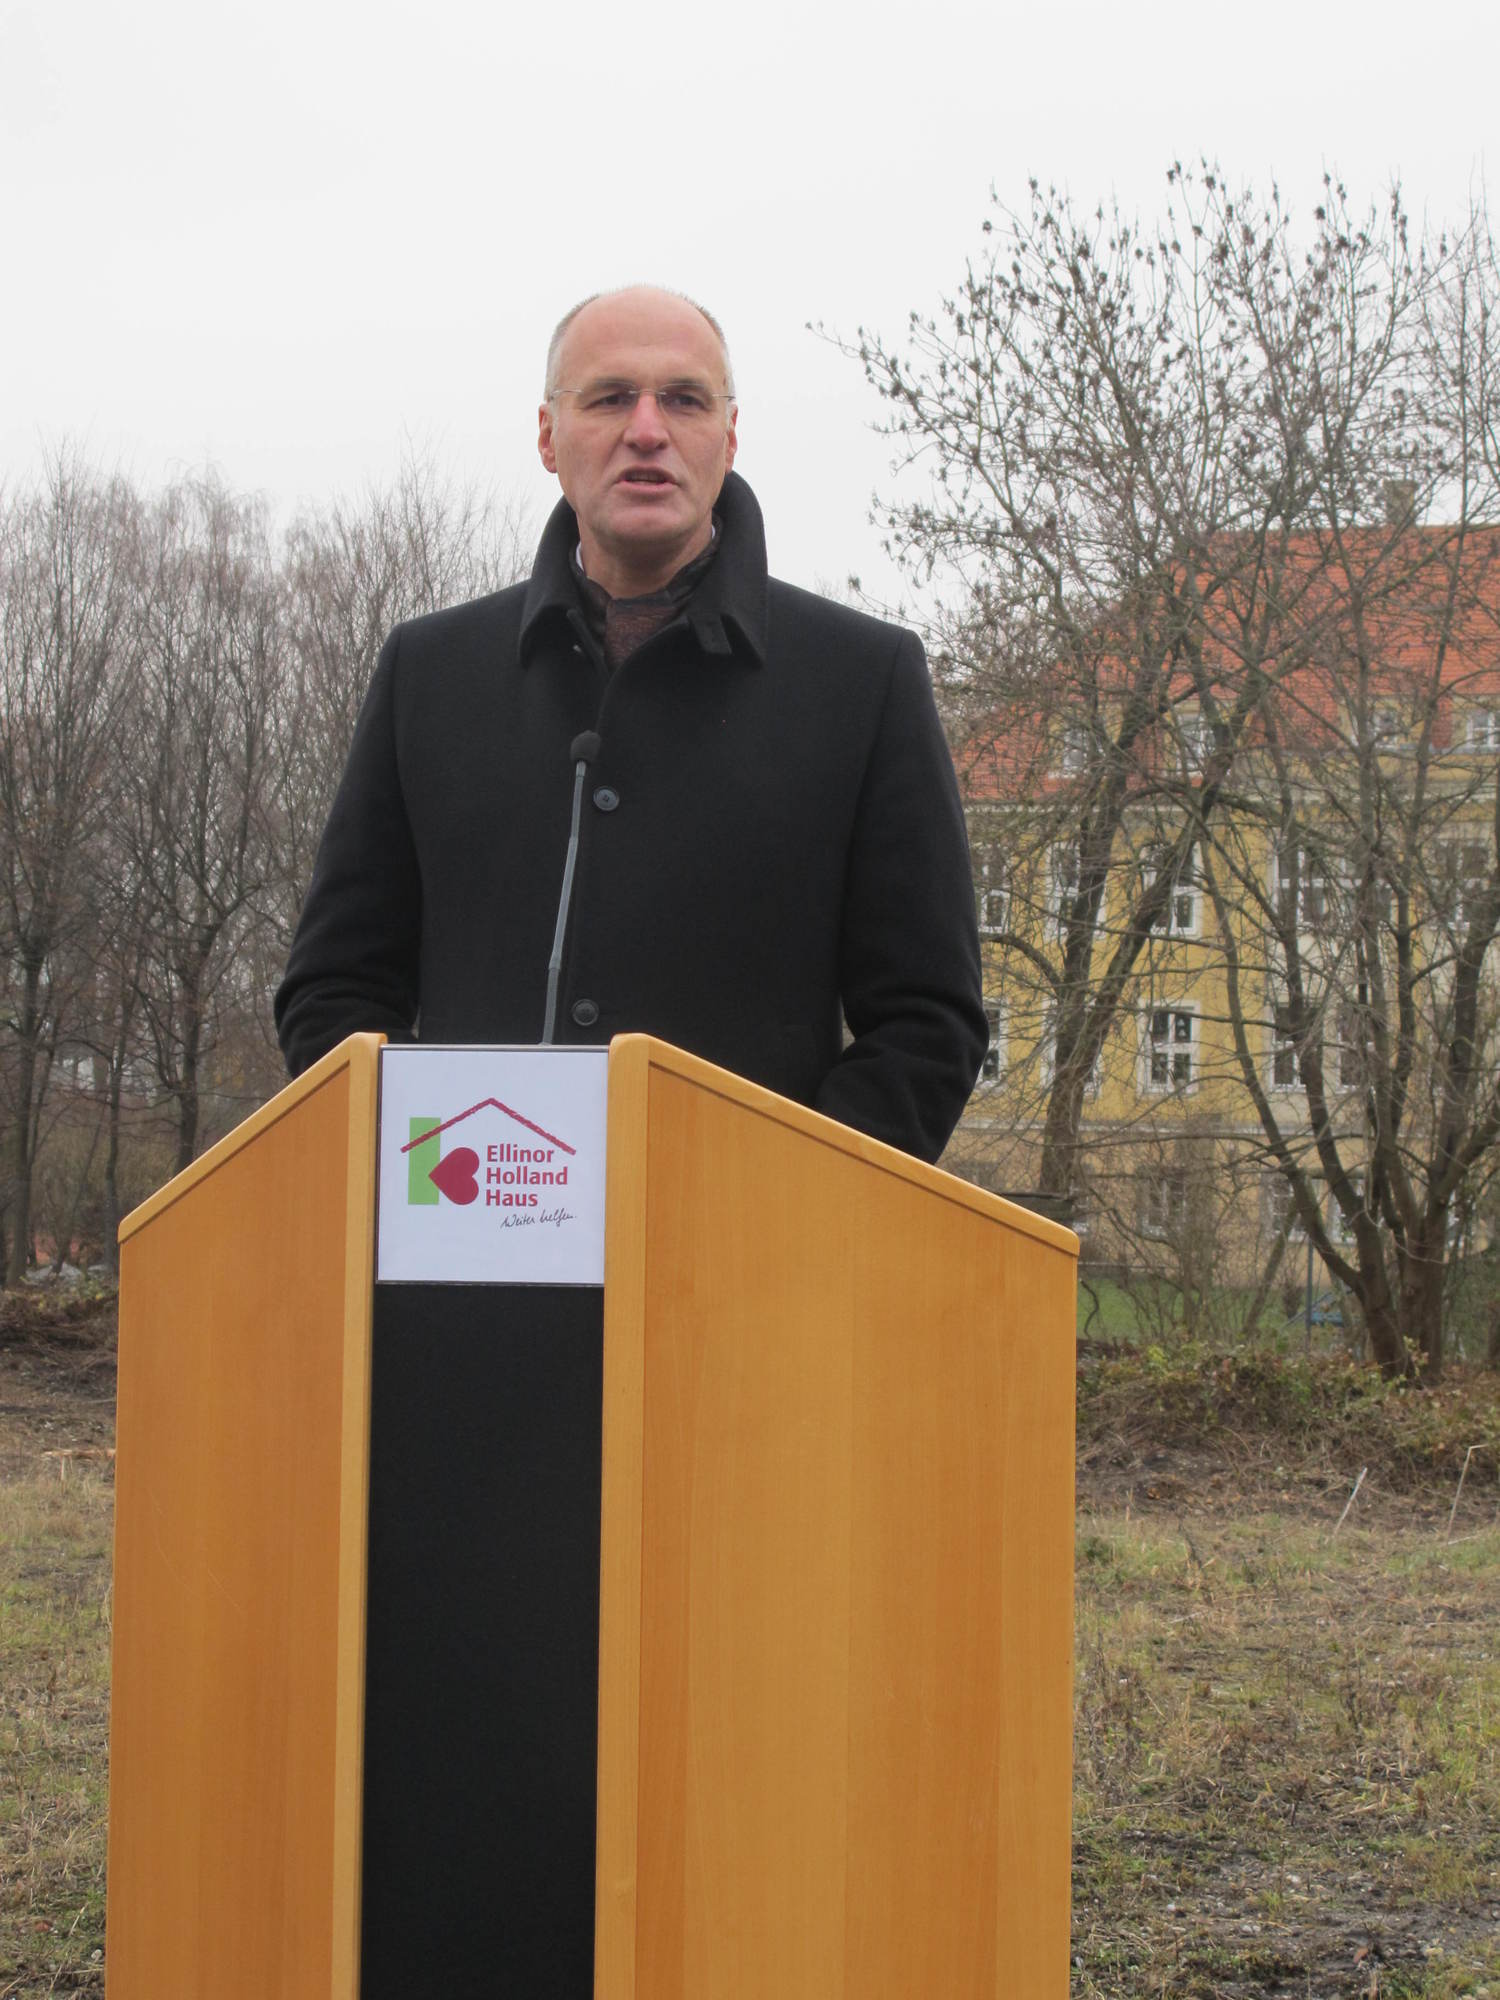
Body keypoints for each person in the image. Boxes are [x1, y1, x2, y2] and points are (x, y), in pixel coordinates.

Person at [275, 286, 985, 1163]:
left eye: (684, 400)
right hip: (465, 1261)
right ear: (547, 436)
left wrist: (783, 1204)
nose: (647, 429)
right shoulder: (429, 672)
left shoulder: (863, 681)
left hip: (744, 1275)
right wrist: (422, 1178)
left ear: (728, 438)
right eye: (610, 397)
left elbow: (927, 1025)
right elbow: (335, 992)